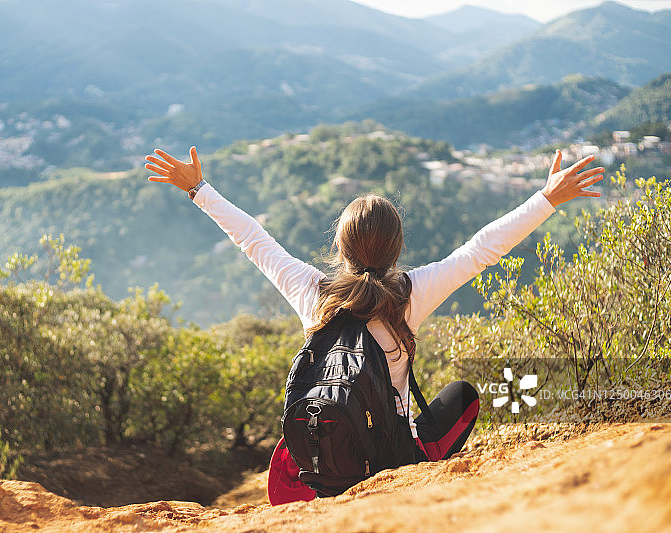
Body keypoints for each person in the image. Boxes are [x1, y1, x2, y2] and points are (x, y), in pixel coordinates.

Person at [144, 144, 603, 499]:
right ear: (397, 248)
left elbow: (252, 238)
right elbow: (481, 249)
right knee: (463, 396)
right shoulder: (410, 296)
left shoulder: (313, 293)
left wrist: (198, 189)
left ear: (340, 249)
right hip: (386, 460)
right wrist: (548, 197)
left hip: (316, 467)